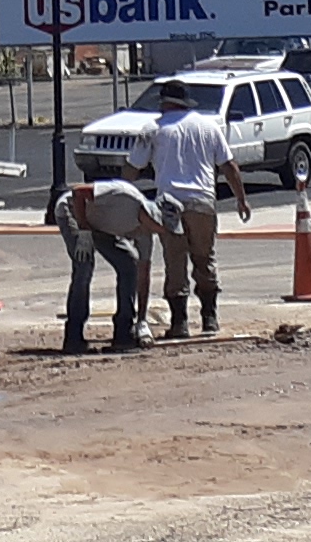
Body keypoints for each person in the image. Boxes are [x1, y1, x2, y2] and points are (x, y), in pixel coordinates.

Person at [143, 79, 252, 338]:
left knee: (175, 262)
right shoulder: (208, 127)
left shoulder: (154, 130)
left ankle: (180, 323)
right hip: (202, 201)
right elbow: (229, 165)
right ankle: (209, 318)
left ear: (165, 103)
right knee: (205, 259)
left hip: (169, 204)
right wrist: (241, 198)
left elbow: (132, 166)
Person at [55, 176, 163, 354]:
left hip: (100, 225)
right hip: (73, 211)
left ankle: (123, 331)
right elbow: (78, 192)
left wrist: (142, 321)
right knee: (84, 265)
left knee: (129, 264)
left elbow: (143, 274)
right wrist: (83, 229)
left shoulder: (145, 234)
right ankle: (74, 335)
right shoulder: (125, 195)